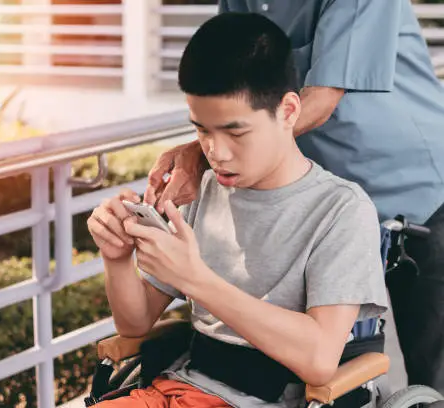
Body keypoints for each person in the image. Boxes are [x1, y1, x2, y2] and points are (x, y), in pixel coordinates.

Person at [87, 12, 388, 408]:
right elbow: (136, 323)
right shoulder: (202, 190)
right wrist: (117, 258)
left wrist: (195, 280)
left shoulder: (341, 211)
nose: (216, 152)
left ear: (288, 111)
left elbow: (319, 359)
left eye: (235, 131)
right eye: (202, 130)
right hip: (180, 389)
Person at [145, 0, 444, 393]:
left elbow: (318, 100)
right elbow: (229, 75)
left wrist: (204, 153)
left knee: (435, 367)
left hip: (410, 187)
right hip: (310, 202)